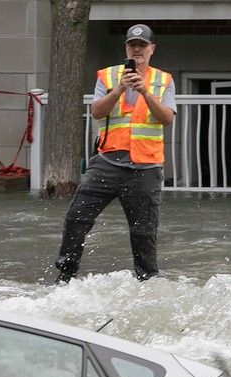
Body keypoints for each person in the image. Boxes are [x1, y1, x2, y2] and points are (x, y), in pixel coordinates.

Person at [54, 23, 176, 283]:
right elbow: (97, 112)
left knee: (144, 232)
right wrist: (120, 89)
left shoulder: (163, 80)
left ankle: (147, 281)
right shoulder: (108, 76)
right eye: (132, 45)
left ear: (152, 49)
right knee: (77, 217)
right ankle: (65, 275)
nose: (137, 50)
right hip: (107, 162)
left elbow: (167, 118)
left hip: (145, 168)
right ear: (126, 48)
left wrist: (143, 91)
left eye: (142, 45)